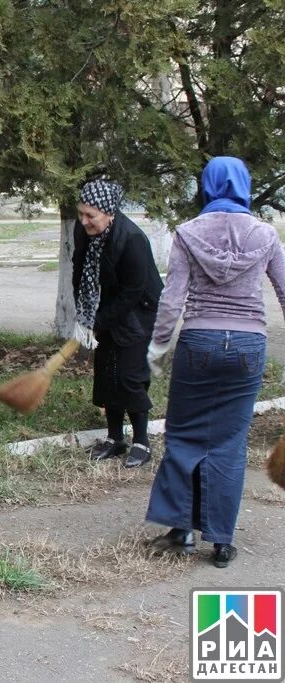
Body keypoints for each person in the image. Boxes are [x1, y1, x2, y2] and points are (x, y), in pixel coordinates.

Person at [145, 157, 285, 568]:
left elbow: (173, 299)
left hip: (200, 342)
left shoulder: (188, 233)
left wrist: (157, 348)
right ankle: (222, 541)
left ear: (207, 186)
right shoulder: (266, 234)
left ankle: (181, 531)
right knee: (228, 442)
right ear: (243, 185)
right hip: (248, 346)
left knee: (184, 434)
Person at [72, 179, 164, 468]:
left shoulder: (132, 239)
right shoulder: (84, 230)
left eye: (91, 216)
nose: (84, 221)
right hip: (110, 304)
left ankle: (141, 442)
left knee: (129, 375)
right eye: (81, 214)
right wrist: (85, 315)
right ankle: (115, 438)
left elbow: (132, 293)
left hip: (140, 311)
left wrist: (100, 321)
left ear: (109, 213)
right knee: (107, 371)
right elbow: (79, 269)